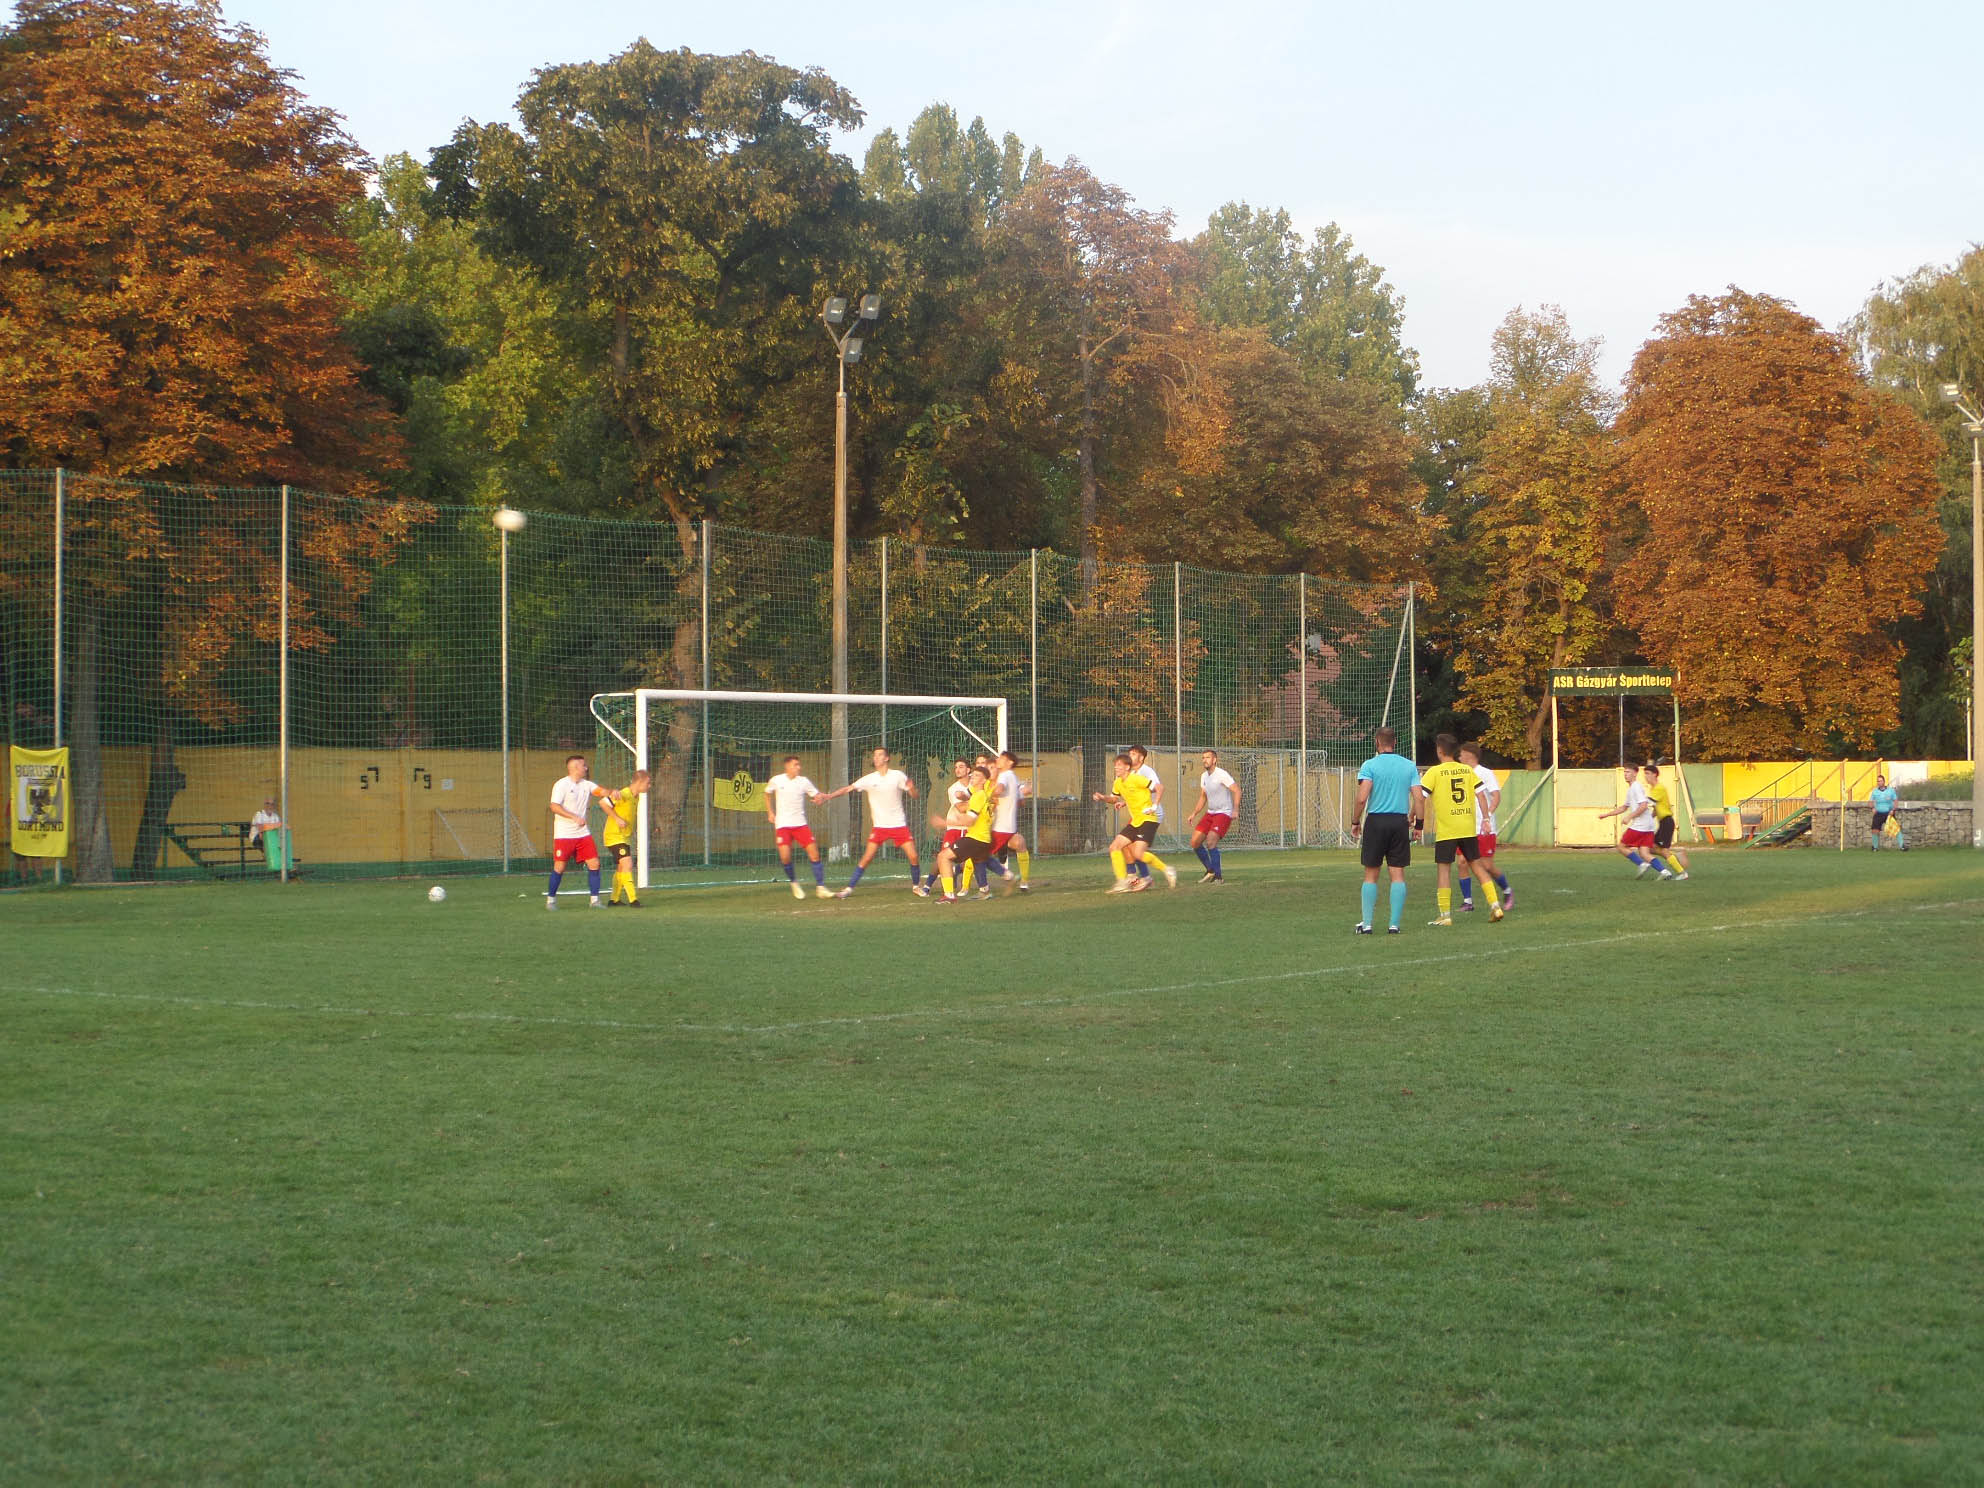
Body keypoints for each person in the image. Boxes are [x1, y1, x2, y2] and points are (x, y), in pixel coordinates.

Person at [1420, 734, 1505, 926]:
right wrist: (1485, 818)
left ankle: (1445, 915)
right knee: (1477, 866)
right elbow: (1481, 795)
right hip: (1467, 828)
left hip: (1447, 830)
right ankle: (1495, 906)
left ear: (1439, 751)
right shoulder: (1467, 771)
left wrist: (1414, 818)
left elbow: (1421, 797)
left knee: (1444, 870)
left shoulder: (1434, 772)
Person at [1349, 726, 1422, 935]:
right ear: (1395, 742)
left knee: (1371, 874)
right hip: (1399, 822)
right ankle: (1394, 925)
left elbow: (1362, 798)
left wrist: (1355, 821)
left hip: (1376, 822)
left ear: (1377, 742)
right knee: (1397, 874)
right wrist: (1419, 825)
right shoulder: (1409, 766)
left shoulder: (1369, 765)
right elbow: (1419, 798)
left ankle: (1367, 924)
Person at [824, 747, 924, 897]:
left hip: (898, 825)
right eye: (874, 755)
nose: (876, 758)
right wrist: (828, 796)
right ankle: (848, 889)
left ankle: (916, 886)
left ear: (887, 758)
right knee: (867, 858)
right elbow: (848, 789)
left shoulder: (897, 775)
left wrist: (911, 788)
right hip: (879, 827)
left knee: (913, 856)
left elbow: (914, 795)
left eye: (879, 755)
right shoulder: (869, 779)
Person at [1093, 754, 1175, 891]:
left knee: (1138, 853)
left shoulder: (1136, 778)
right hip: (1136, 821)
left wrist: (1155, 805)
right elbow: (1114, 799)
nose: (1116, 767)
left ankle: (1167, 869)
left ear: (1127, 767)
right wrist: (1103, 797)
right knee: (1114, 846)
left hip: (1148, 819)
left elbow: (1160, 787)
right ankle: (1122, 882)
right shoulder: (1118, 782)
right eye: (1115, 765)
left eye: (1119, 765)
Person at [765, 756, 833, 900]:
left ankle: (821, 887)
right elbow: (767, 793)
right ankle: (794, 883)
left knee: (814, 854)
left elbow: (816, 795)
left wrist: (819, 799)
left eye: (799, 765)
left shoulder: (804, 781)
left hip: (800, 825)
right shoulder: (777, 780)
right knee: (785, 857)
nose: (799, 767)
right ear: (787, 766)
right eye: (795, 765)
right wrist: (770, 812)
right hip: (783, 825)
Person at [1455, 743, 1512, 912]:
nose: (1459, 757)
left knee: (1486, 866)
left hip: (1484, 827)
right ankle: (1468, 902)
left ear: (1469, 755)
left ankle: (1507, 890)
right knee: (1462, 862)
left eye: (1461, 754)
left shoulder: (1485, 773)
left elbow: (1496, 796)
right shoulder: (1461, 773)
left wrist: (1488, 816)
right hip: (1466, 827)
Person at [547, 754, 608, 909]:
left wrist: (611, 792)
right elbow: (554, 806)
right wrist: (574, 817)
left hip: (582, 834)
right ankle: (551, 900)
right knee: (559, 867)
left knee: (594, 863)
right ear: (575, 768)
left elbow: (600, 791)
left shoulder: (587, 785)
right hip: (564, 835)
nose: (586, 768)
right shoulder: (561, 785)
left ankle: (595, 900)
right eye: (583, 765)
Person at [1597, 763, 1668, 879]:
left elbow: (1644, 805)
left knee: (1621, 846)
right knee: (1644, 853)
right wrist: (1607, 815)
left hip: (1641, 825)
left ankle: (1641, 864)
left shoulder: (1636, 787)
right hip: (1648, 825)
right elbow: (1624, 807)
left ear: (1635, 773)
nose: (1625, 774)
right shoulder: (1632, 788)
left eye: (1628, 772)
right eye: (1624, 772)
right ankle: (1665, 872)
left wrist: (1629, 817)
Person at [1188, 749, 1241, 884]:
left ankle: (1218, 877)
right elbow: (1203, 797)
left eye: (1208, 757)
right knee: (1194, 842)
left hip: (1223, 813)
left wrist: (1235, 809)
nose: (1204, 760)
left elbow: (1237, 790)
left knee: (1211, 842)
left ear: (1214, 760)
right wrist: (1194, 813)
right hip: (1211, 813)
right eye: (1203, 758)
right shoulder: (1204, 776)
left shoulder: (1222, 774)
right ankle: (1210, 870)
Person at [599, 770, 651, 907]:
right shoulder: (625, 793)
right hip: (614, 836)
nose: (649, 786)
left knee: (622, 867)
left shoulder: (636, 797)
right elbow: (603, 803)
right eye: (648, 783)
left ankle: (614, 900)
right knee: (628, 864)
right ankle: (633, 900)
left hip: (624, 837)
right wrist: (617, 818)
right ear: (639, 782)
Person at [991, 750, 1033, 892]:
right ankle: (1024, 882)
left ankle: (1007, 877)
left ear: (1009, 763)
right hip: (1010, 827)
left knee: (979, 855)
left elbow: (999, 790)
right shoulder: (1014, 777)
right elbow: (1021, 802)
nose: (998, 760)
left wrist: (990, 795)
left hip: (1000, 827)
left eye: (1001, 758)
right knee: (1020, 844)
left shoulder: (1004, 775)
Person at [1641, 763, 1690, 879]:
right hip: (1663, 823)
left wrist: (1636, 804)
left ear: (1655, 774)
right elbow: (1656, 808)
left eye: (1648, 773)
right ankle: (1676, 856)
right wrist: (1649, 818)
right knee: (1650, 848)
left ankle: (1682, 873)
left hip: (1666, 822)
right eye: (1645, 774)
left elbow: (1648, 802)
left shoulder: (1659, 788)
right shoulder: (1654, 789)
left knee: (1663, 850)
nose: (1645, 776)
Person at [1125, 744, 1166, 883]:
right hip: (1140, 815)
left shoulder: (1147, 771)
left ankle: (1142, 876)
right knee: (1125, 844)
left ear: (1141, 758)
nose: (1130, 756)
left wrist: (1154, 805)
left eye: (1133, 754)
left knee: (1133, 847)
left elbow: (1158, 787)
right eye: (1129, 753)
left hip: (1151, 814)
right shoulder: (1132, 773)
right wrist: (1124, 802)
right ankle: (1135, 876)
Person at [1869, 773, 1907, 852]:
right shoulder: (1875, 791)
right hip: (1878, 813)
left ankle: (1902, 846)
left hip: (1889, 813)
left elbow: (1895, 801)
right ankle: (1875, 847)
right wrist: (1872, 808)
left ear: (1884, 781)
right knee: (1875, 830)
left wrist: (1893, 810)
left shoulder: (1890, 790)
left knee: (1896, 829)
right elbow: (1870, 801)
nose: (1879, 782)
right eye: (1878, 781)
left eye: (1880, 781)